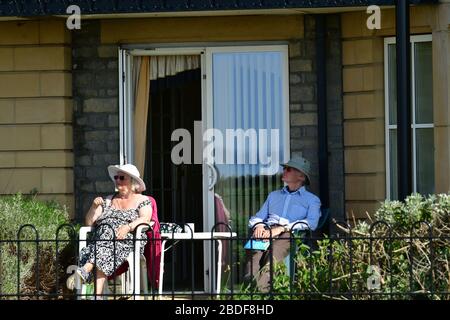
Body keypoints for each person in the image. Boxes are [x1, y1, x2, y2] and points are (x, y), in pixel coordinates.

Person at [66, 164, 154, 298]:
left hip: (126, 241)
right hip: (103, 239)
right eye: (116, 177)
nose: (117, 180)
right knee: (104, 244)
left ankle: (85, 270)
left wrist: (128, 227)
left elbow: (145, 218)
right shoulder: (108, 200)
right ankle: (97, 295)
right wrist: (94, 207)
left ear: (132, 182)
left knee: (101, 246)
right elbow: (89, 222)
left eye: (121, 177)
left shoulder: (142, 200)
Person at [244, 156, 321, 292]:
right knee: (254, 256)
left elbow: (312, 223)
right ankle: (249, 290)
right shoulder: (274, 195)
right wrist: (259, 226)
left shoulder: (312, 200)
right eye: (284, 168)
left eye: (289, 169)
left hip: (289, 233)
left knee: (273, 256)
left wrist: (283, 228)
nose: (284, 171)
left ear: (301, 176)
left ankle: (262, 293)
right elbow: (257, 217)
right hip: (266, 230)